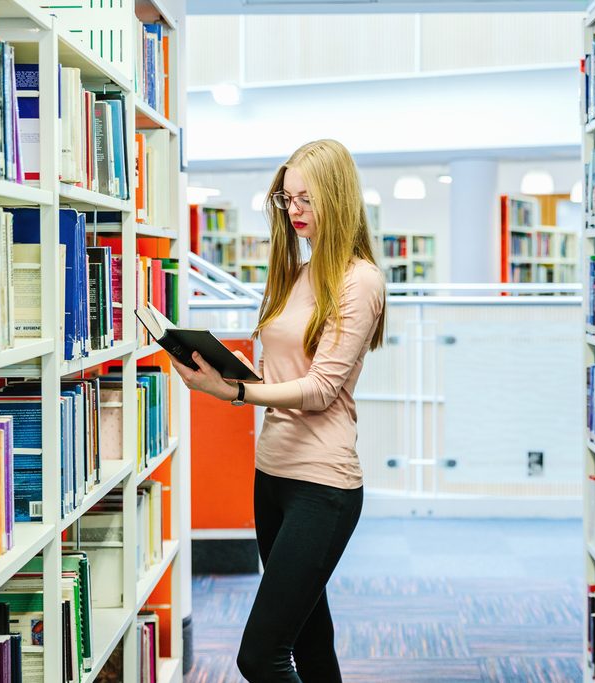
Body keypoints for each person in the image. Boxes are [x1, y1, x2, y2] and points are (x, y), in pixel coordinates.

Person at [167, 138, 387, 682]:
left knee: (259, 655)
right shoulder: (300, 273)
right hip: (271, 474)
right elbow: (284, 373)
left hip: (323, 485)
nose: (295, 212)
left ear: (338, 199)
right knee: (311, 641)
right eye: (287, 200)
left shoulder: (360, 280)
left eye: (306, 199)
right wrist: (230, 370)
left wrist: (235, 393)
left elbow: (319, 389)